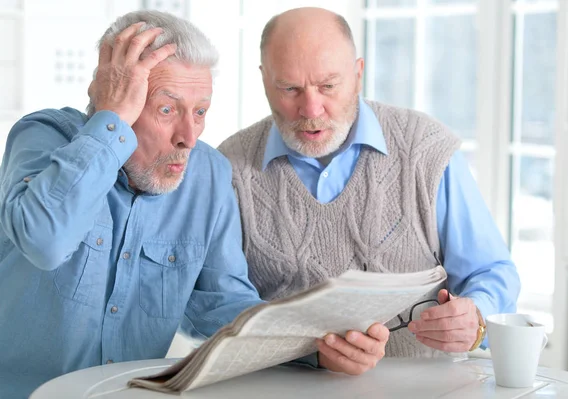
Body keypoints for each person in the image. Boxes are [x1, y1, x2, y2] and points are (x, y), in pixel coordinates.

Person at [0, 10, 387, 399]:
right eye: (167, 110)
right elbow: (45, 241)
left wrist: (321, 347)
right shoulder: (44, 138)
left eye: (200, 112)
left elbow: (223, 305)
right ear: (117, 97)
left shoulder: (209, 174)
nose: (189, 136)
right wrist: (111, 118)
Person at [218, 6, 521, 361]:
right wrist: (311, 355)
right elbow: (221, 303)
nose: (312, 109)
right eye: (290, 89)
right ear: (264, 80)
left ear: (358, 74)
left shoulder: (426, 150)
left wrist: (476, 317)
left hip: (426, 388)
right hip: (285, 385)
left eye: (328, 86)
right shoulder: (229, 168)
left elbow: (491, 271)